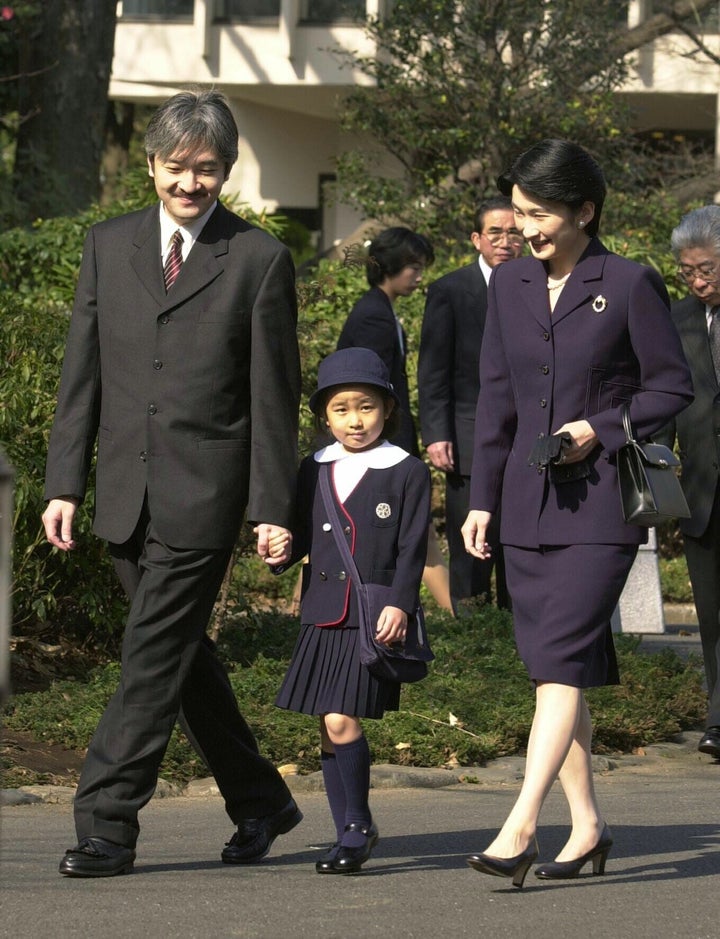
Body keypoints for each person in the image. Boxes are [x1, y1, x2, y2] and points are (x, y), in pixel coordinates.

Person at [41, 89, 303, 878]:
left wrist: (269, 506)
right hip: (124, 489)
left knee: (150, 654)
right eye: (177, 167)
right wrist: (65, 483)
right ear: (152, 163)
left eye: (209, 170)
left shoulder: (258, 259)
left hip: (203, 496)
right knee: (179, 653)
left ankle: (107, 822)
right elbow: (80, 374)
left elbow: (272, 396)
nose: (191, 184)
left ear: (226, 171)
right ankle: (261, 799)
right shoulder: (107, 244)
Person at [461, 139, 692, 887]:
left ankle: (520, 823)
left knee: (560, 662)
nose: (525, 228)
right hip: (526, 507)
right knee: (556, 673)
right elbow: (495, 397)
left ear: (584, 210)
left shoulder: (629, 283)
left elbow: (670, 389)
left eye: (540, 213)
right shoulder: (509, 285)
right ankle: (588, 827)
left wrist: (601, 425)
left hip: (601, 507)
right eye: (518, 212)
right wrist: (479, 500)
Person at [271, 347, 430, 874]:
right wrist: (278, 548)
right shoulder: (313, 468)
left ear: (387, 408)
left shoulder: (406, 470)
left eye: (365, 406)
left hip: (374, 615)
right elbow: (296, 534)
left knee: (342, 719)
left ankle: (358, 825)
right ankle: (346, 832)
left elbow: (413, 548)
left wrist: (403, 606)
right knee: (326, 724)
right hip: (321, 612)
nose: (354, 420)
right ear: (324, 416)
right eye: (341, 409)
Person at [336, 227, 452, 611]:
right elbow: (366, 391)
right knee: (405, 526)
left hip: (383, 442)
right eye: (413, 267)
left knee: (339, 522)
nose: (419, 276)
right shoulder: (374, 316)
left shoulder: (380, 309)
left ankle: (458, 613)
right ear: (391, 267)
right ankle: (457, 614)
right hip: (375, 444)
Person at [418, 197, 523, 614]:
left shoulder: (538, 282)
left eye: (513, 232)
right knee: (472, 540)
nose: (505, 241)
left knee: (517, 539)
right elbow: (433, 369)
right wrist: (437, 433)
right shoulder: (449, 289)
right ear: (477, 239)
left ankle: (516, 627)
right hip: (466, 435)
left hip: (525, 436)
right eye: (495, 233)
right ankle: (472, 629)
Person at [655, 205, 720, 760]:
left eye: (708, 270)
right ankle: (718, 719)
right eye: (688, 272)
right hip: (703, 489)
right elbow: (665, 402)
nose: (697, 281)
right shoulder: (675, 321)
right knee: (712, 613)